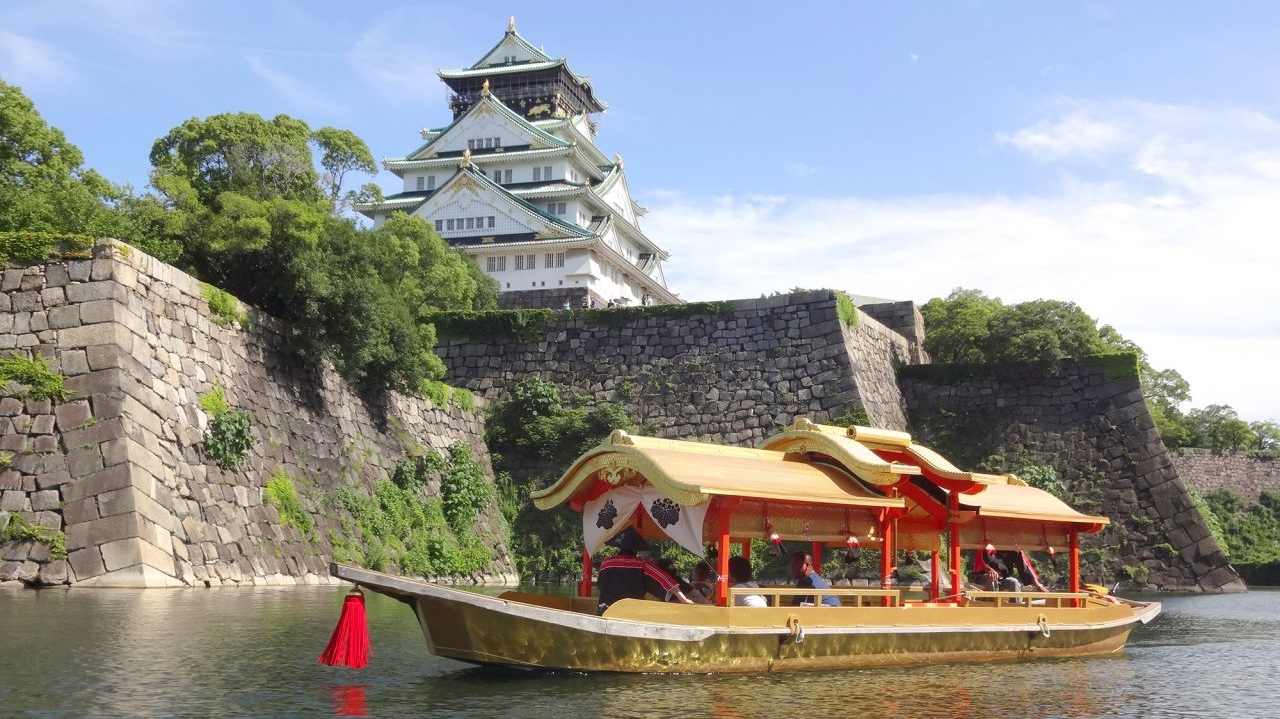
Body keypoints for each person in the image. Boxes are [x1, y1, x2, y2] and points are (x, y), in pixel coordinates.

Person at [596, 527, 695, 614]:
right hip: (630, 612)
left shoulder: (606, 563)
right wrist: (684, 599)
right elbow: (666, 580)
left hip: (605, 609)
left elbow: (600, 585)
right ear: (636, 549)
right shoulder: (642, 564)